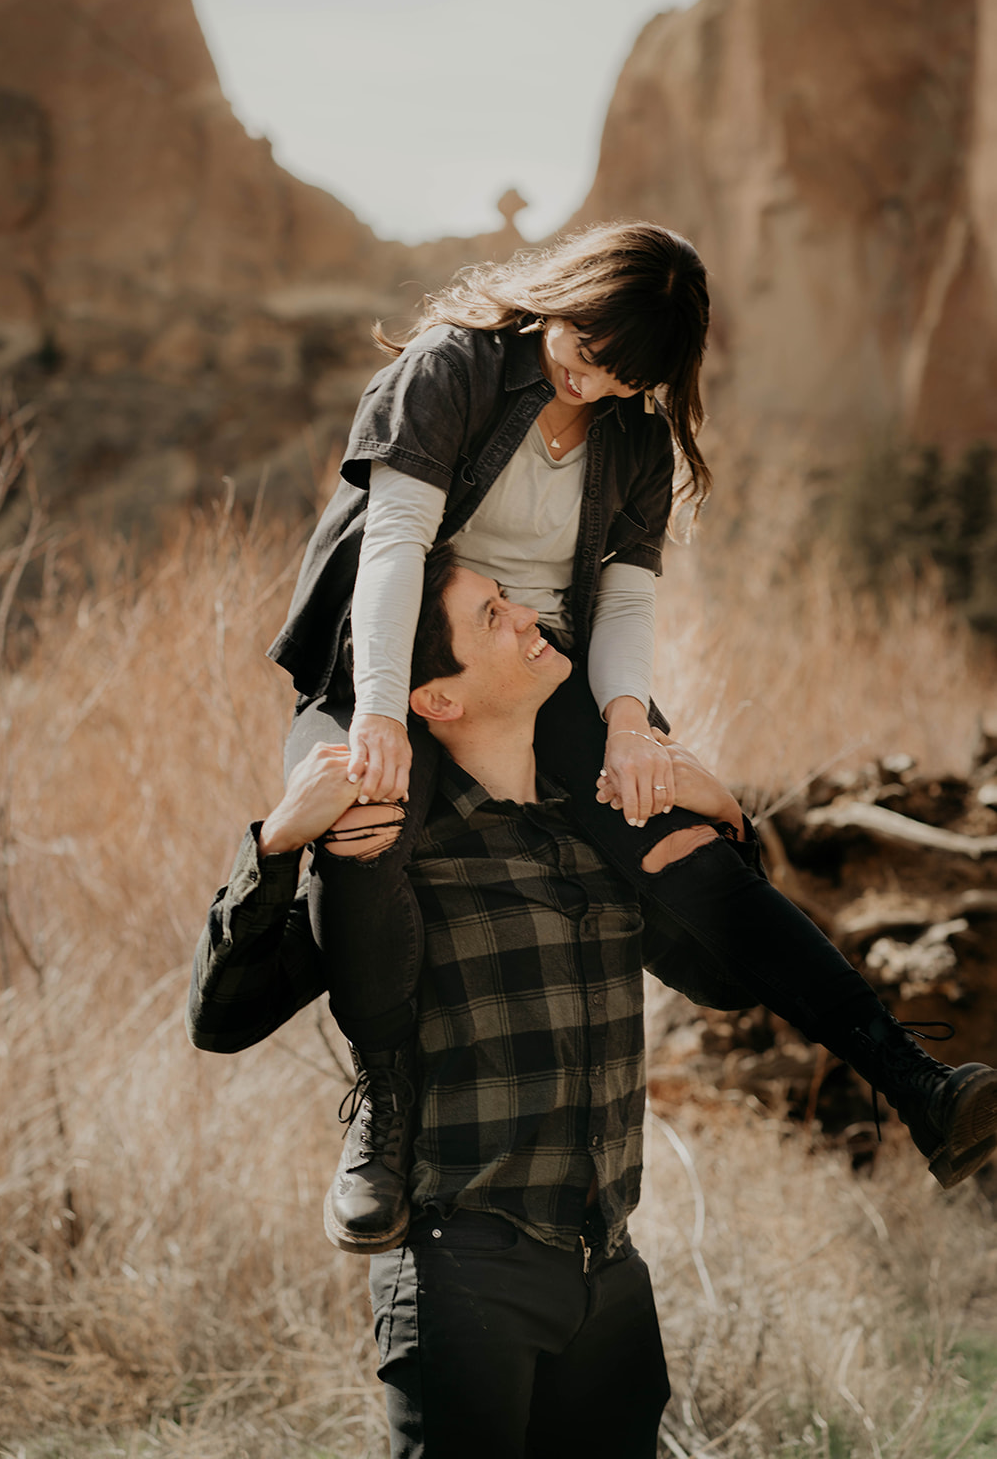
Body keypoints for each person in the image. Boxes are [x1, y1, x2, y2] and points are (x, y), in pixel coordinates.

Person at [265, 224, 997, 1253]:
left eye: (621, 370)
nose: (590, 372)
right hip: (376, 657)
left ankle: (917, 1084)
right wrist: (381, 711)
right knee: (365, 826)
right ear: (568, 291)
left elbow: (624, 602)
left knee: (672, 835)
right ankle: (385, 1111)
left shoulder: (632, 440)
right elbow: (390, 547)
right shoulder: (455, 370)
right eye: (587, 340)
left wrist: (626, 727)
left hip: (529, 662)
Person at [189, 549, 997, 1459]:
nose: (529, 616)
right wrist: (273, 846)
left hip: (609, 1277)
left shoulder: (595, 832)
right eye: (492, 616)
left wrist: (730, 824)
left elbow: (727, 985)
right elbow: (220, 1021)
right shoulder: (388, 860)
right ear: (435, 699)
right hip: (465, 1277)